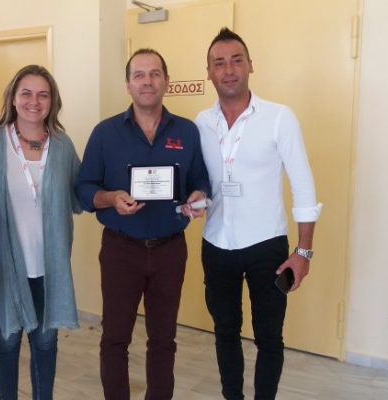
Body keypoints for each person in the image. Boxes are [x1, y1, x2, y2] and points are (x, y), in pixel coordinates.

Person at [194, 27, 323, 400]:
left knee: (269, 336)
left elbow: (304, 186)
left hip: (267, 246)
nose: (228, 70)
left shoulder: (279, 118)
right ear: (209, 71)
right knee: (225, 331)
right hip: (216, 244)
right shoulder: (201, 123)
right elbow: (200, 180)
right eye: (219, 63)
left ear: (250, 65)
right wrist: (194, 199)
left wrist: (303, 251)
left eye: (236, 60)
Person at [75, 48, 210, 400]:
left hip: (169, 251)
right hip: (121, 250)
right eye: (139, 75)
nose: (147, 81)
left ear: (166, 81)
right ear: (128, 85)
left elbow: (201, 179)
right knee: (115, 338)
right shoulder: (105, 133)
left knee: (163, 339)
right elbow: (84, 188)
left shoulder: (187, 132)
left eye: (154, 74)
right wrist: (110, 198)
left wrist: (199, 195)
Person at [0, 65, 81, 400]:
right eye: (26, 93)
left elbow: (82, 192)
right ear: (13, 97)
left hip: (50, 269)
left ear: (53, 101)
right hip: (5, 268)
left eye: (43, 95)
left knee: (45, 345)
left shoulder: (62, 146)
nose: (34, 102)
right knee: (7, 344)